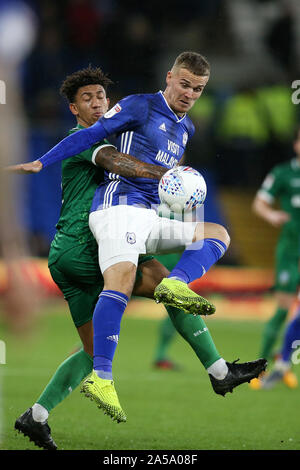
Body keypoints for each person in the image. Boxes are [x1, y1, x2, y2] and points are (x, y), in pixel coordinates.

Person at [10, 65, 262, 450]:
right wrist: (168, 175)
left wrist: (171, 190)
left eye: (101, 97)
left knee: (99, 343)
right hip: (84, 246)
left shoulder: (144, 129)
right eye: (87, 99)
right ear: (74, 110)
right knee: (156, 285)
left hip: (70, 252)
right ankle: (216, 370)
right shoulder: (86, 138)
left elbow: (140, 172)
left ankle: (36, 416)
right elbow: (118, 163)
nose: (97, 104)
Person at [249, 127, 300, 389]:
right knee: (283, 310)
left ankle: (284, 365)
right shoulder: (283, 173)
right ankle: (262, 367)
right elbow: (259, 203)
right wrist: (272, 216)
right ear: (296, 144)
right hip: (291, 252)